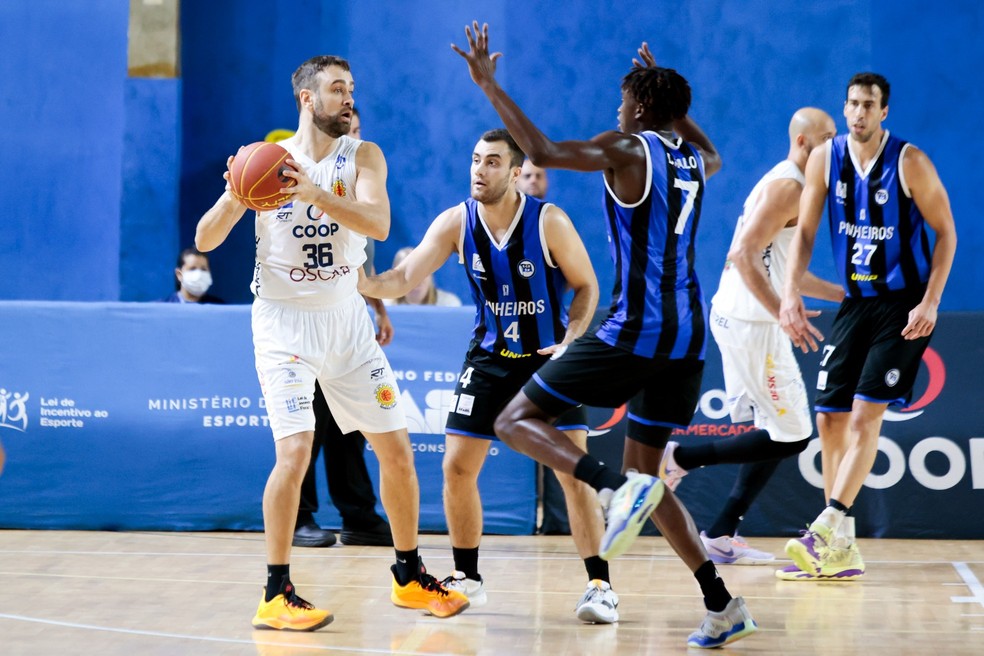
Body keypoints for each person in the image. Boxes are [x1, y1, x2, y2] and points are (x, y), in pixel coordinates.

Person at [453, 26, 756, 648]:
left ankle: (618, 491)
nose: (616, 109)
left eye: (624, 100)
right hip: (687, 338)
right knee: (650, 480)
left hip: (636, 330)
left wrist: (489, 85)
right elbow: (712, 149)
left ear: (640, 109)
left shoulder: (627, 148)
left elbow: (537, 149)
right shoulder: (695, 159)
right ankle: (722, 604)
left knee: (513, 421)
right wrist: (676, 108)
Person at [195, 54, 469, 631]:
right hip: (283, 325)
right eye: (337, 89)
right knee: (294, 453)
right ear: (306, 99)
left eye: (351, 89)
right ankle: (275, 592)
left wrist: (314, 195)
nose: (348, 98)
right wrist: (234, 197)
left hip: (346, 322)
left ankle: (409, 575)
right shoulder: (264, 163)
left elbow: (377, 224)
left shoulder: (363, 155)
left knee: (395, 450)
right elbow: (206, 239)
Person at [362, 128, 621, 623]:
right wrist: (357, 280)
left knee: (572, 474)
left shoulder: (550, 222)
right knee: (456, 466)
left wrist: (571, 340)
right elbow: (404, 277)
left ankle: (600, 585)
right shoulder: (457, 221)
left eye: (493, 162)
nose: (479, 170)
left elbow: (587, 287)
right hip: (488, 358)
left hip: (548, 358)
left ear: (517, 172)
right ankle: (468, 578)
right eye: (476, 160)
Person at [779, 72, 956, 579]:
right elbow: (806, 231)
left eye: (869, 105)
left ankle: (826, 525)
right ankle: (838, 549)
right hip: (855, 303)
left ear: (884, 113)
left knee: (862, 419)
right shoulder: (824, 157)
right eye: (852, 103)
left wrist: (931, 302)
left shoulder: (910, 162)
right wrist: (790, 292)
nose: (858, 113)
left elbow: (947, 236)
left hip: (903, 308)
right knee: (829, 420)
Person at [657, 109, 842, 568]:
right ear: (802, 142)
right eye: (827, 139)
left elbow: (782, 268)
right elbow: (741, 254)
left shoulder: (791, 183)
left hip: (748, 317)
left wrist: (844, 293)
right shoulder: (790, 187)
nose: (835, 148)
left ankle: (721, 533)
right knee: (795, 434)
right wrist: (782, 308)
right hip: (750, 322)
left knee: (777, 430)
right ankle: (680, 456)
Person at [292, 107, 396, 550]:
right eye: (349, 130)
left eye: (358, 131)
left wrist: (378, 308)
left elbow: (361, 258)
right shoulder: (299, 172)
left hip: (348, 312)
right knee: (307, 424)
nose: (354, 137)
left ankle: (357, 514)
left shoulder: (361, 177)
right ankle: (298, 517)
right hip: (305, 316)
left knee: (347, 424)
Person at [383, 247, 462, 306]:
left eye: (420, 273)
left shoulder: (449, 305)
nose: (415, 281)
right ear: (396, 279)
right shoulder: (385, 307)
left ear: (430, 274)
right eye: (406, 275)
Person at [160, 247, 225, 304]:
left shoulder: (219, 307)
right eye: (192, 269)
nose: (199, 274)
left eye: (204, 269)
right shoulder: (163, 308)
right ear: (179, 274)